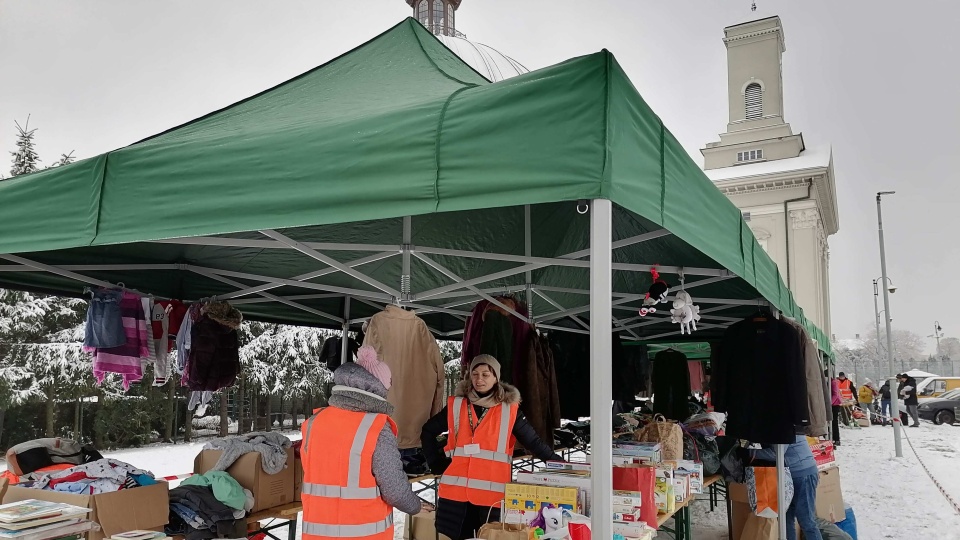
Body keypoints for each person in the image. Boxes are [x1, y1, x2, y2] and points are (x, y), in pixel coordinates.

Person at [421, 355, 563, 540]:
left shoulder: (509, 410)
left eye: (485, 374)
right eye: (475, 374)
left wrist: (562, 465)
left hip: (490, 499)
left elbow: (534, 443)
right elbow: (428, 431)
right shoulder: (457, 405)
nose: (479, 379)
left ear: (496, 377)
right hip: (456, 496)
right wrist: (435, 463)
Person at [300, 346, 426, 540]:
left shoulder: (314, 422)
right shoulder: (375, 426)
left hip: (316, 532)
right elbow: (393, 488)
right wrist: (415, 505)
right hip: (364, 533)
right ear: (379, 387)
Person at [750, 434, 823, 540]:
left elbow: (776, 453)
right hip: (788, 475)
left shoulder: (784, 423)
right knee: (785, 520)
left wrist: (751, 453)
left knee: (806, 521)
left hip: (803, 474)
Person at [829, 372, 842, 446]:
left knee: (834, 422)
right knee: (833, 422)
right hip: (834, 404)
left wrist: (829, 403)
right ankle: (835, 438)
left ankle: (836, 439)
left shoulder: (833, 383)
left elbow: (835, 394)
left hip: (835, 405)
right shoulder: (833, 382)